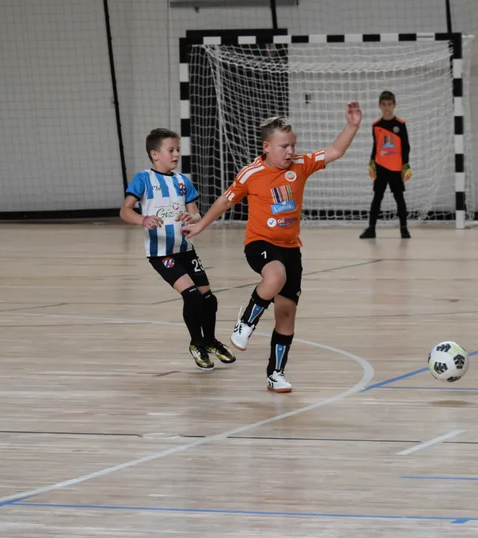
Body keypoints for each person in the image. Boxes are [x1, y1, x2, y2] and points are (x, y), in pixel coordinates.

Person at [183, 102, 363, 393]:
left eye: (293, 145)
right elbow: (225, 201)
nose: (290, 151)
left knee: (286, 315)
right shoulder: (251, 173)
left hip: (291, 247)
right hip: (260, 243)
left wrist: (352, 125)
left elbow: (335, 150)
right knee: (275, 275)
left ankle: (275, 373)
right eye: (283, 146)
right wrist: (201, 225)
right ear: (266, 147)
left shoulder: (301, 165)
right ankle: (245, 323)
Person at [119, 128, 235, 371]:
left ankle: (210, 340)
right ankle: (196, 344)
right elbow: (125, 211)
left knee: (208, 298)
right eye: (170, 150)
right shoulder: (144, 179)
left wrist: (192, 217)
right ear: (154, 154)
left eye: (178, 150)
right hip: (161, 253)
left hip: (186, 249)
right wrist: (143, 219)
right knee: (192, 295)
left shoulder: (183, 181)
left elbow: (196, 214)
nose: (176, 155)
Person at [360, 90, 411, 239]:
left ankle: (404, 229)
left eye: (389, 104)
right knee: (377, 198)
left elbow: (406, 146)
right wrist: (371, 163)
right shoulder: (376, 125)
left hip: (396, 167)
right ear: (379, 106)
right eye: (384, 104)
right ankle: (371, 229)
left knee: (399, 198)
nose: (387, 107)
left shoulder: (400, 124)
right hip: (381, 167)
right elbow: (376, 146)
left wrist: (406, 165)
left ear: (394, 105)